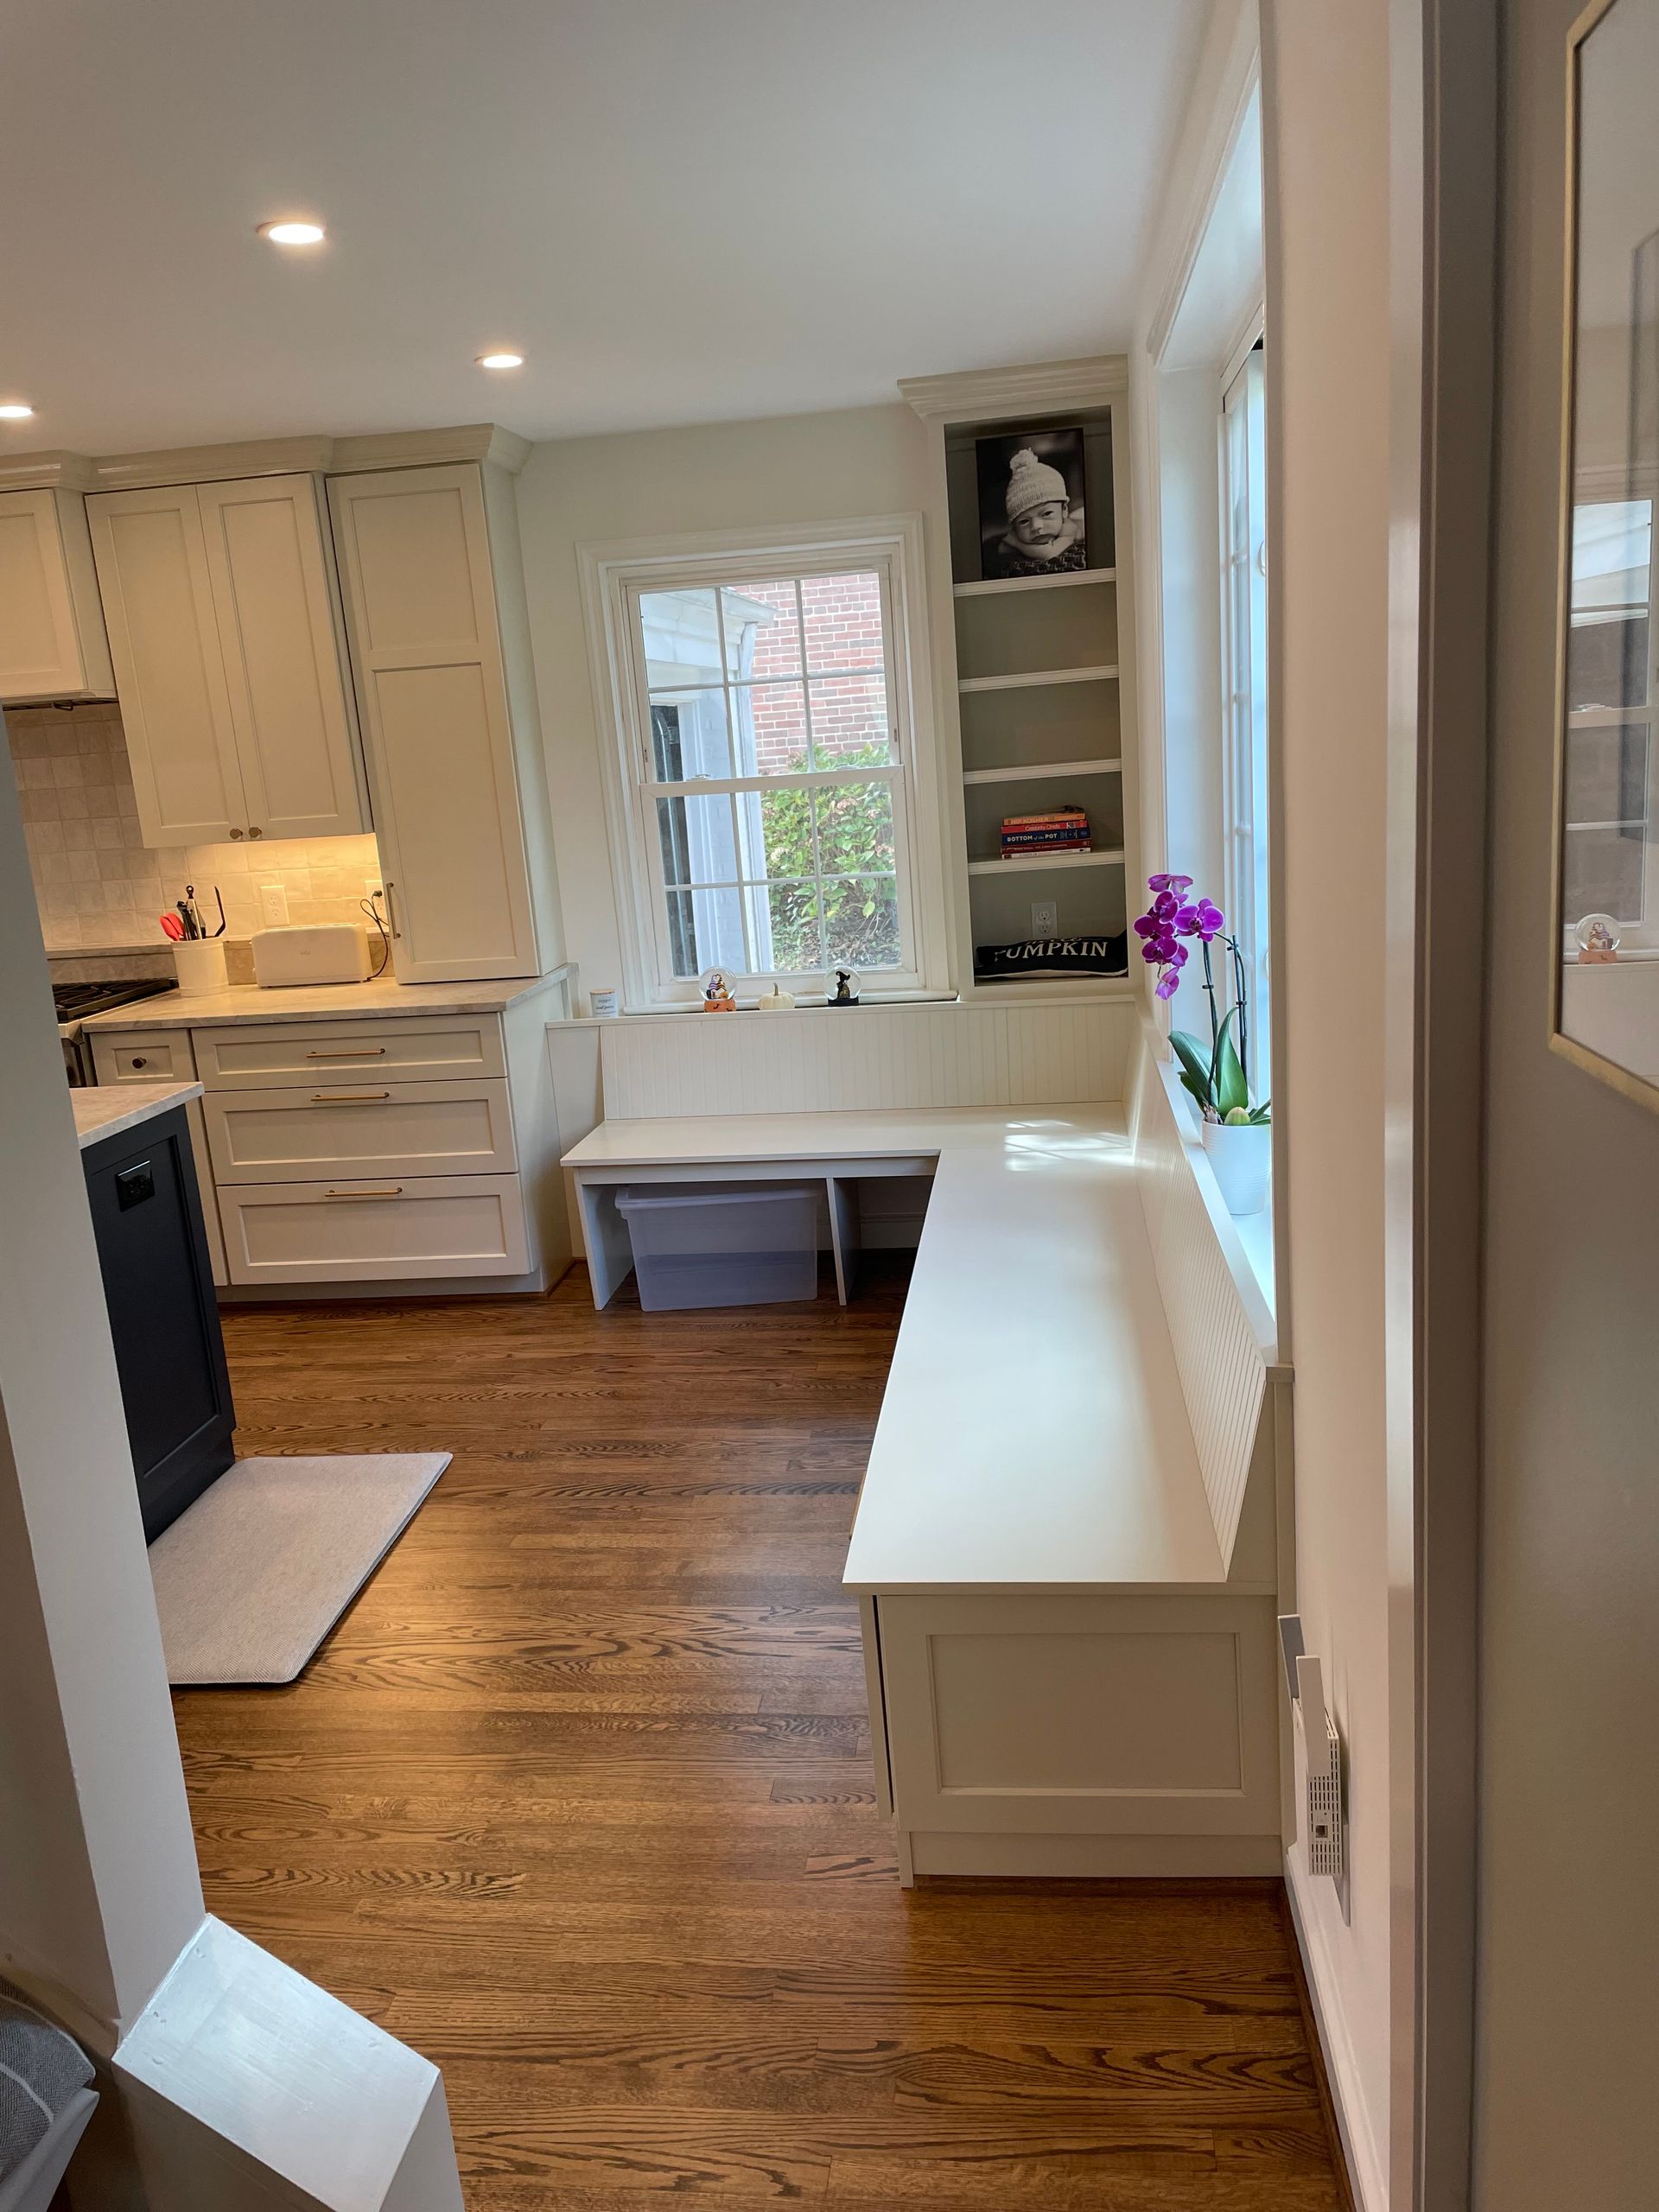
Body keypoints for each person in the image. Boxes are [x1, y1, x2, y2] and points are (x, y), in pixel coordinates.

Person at [991, 448, 1089, 576]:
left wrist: (1017, 543)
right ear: (1014, 526)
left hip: (1080, 518)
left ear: (1064, 510)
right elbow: (1001, 549)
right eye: (1024, 521)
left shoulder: (1069, 527)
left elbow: (1049, 553)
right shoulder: (1016, 533)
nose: (1036, 526)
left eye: (1047, 514)